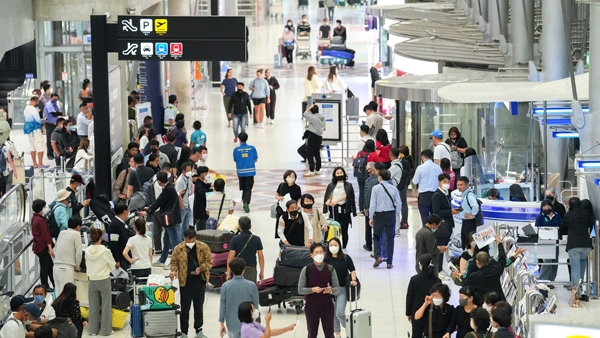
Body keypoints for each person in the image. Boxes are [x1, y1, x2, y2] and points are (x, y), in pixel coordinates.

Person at [170, 228, 213, 338]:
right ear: (184, 239)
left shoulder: (203, 247)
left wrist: (201, 268)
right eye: (187, 241)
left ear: (195, 238)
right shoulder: (178, 249)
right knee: (185, 308)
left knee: (198, 307)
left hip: (200, 282)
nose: (190, 243)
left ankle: (198, 330)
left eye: (192, 241)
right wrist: (174, 271)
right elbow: (174, 262)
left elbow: (209, 262)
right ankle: (184, 332)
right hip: (185, 282)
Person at [139, 172, 182, 267]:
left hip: (171, 219)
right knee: (166, 239)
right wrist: (150, 207)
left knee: (174, 240)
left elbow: (159, 201)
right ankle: (162, 260)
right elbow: (162, 202)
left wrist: (147, 212)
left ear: (158, 181)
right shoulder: (169, 187)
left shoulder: (168, 190)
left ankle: (176, 262)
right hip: (170, 218)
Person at [298, 242, 340, 338]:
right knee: (312, 333)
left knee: (329, 333)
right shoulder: (306, 269)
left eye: (321, 252)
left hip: (327, 305)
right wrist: (312, 290)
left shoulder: (330, 269)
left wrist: (331, 290)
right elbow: (300, 289)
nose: (319, 254)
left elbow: (337, 288)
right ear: (311, 255)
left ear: (324, 253)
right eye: (316, 252)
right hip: (311, 306)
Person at [560, 197, 593, 301]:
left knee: (575, 270)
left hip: (574, 245)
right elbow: (589, 225)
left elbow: (563, 228)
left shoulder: (567, 215)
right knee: (582, 270)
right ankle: (580, 290)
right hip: (586, 245)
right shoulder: (586, 214)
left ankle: (576, 294)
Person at [324, 237, 357, 338]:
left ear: (339, 246)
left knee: (339, 313)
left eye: (335, 245)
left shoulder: (346, 258)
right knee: (333, 314)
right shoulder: (326, 260)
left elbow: (352, 270)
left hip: (342, 289)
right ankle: (337, 334)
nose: (333, 247)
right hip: (330, 290)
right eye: (331, 245)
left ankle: (350, 327)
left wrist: (353, 280)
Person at [85, 228, 115, 337]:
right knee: (106, 305)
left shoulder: (87, 250)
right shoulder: (105, 251)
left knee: (93, 306)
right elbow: (112, 264)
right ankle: (106, 330)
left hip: (92, 280)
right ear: (101, 238)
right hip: (104, 279)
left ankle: (92, 330)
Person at [219, 258, 260, 338]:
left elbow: (222, 306)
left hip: (232, 324)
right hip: (248, 324)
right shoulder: (251, 285)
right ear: (244, 269)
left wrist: (221, 322)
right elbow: (255, 305)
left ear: (231, 270)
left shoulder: (225, 286)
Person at [369, 169, 401, 269]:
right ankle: (389, 263)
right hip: (390, 215)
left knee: (377, 236)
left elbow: (373, 204)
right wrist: (395, 214)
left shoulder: (375, 188)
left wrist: (371, 216)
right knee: (390, 238)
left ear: (380, 177)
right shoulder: (394, 189)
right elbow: (399, 203)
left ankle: (377, 256)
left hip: (379, 215)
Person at [406, 254, 442, 338]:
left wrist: (408, 313)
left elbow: (409, 297)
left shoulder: (414, 279)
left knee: (417, 334)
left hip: (417, 311)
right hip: (433, 312)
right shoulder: (437, 280)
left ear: (421, 265)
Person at [463, 235, 507, 300]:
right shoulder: (496, 271)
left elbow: (465, 288)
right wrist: (500, 243)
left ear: (477, 262)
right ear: (489, 260)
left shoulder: (474, 276)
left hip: (482, 303)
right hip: (497, 301)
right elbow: (502, 259)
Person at [325, 167, 357, 249]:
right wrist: (329, 201)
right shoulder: (331, 185)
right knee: (334, 228)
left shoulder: (348, 185)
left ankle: (344, 247)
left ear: (344, 174)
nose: (339, 174)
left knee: (344, 229)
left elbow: (347, 195)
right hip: (334, 209)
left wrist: (336, 201)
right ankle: (334, 245)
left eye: (341, 173)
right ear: (334, 175)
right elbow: (330, 195)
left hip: (344, 209)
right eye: (337, 173)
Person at [226, 217, 264, 283]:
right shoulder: (256, 239)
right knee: (250, 289)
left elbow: (230, 257)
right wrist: (262, 271)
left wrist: (228, 273)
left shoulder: (235, 239)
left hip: (238, 270)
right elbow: (261, 257)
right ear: (250, 226)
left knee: (238, 290)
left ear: (239, 226)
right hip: (252, 269)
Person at [53, 217, 83, 296]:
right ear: (78, 226)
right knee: (65, 295)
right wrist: (77, 266)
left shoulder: (61, 233)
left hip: (56, 267)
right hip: (66, 268)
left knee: (58, 295)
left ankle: (57, 309)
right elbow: (79, 253)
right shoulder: (76, 234)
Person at [535, 199, 562, 285]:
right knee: (547, 261)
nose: (546, 210)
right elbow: (537, 229)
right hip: (544, 242)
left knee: (554, 262)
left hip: (555, 241)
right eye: (544, 209)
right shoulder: (540, 217)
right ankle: (542, 280)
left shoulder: (557, 216)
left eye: (548, 208)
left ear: (551, 207)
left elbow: (560, 226)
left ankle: (551, 280)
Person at [413, 149, 442, 225]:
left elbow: (415, 181)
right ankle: (436, 233)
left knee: (425, 218)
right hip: (436, 195)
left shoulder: (420, 168)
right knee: (436, 217)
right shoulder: (438, 168)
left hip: (424, 196)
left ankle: (427, 234)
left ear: (423, 157)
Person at [31, 199, 55, 291]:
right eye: (44, 207)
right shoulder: (40, 220)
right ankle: (45, 286)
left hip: (39, 246)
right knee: (45, 267)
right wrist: (50, 247)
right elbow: (45, 235)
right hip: (43, 247)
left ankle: (52, 284)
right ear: (41, 208)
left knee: (49, 266)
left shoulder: (34, 218)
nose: (45, 208)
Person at [432, 174, 454, 268]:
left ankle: (440, 267)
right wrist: (450, 212)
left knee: (443, 247)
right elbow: (436, 211)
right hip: (442, 226)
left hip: (447, 224)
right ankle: (438, 269)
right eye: (444, 182)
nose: (446, 184)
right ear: (439, 182)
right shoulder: (437, 195)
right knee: (440, 248)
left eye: (448, 182)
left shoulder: (445, 194)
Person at [233, 132, 258, 213]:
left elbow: (235, 160)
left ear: (239, 140)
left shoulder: (236, 150)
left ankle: (244, 200)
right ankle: (246, 202)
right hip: (250, 172)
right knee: (248, 187)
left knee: (242, 186)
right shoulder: (252, 148)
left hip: (241, 172)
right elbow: (255, 159)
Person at [108, 203, 135, 270]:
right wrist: (116, 260)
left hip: (124, 257)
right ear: (125, 212)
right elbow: (113, 244)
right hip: (120, 258)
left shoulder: (121, 223)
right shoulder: (115, 225)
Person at [356, 140, 379, 213]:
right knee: (369, 192)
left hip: (359, 176)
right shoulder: (373, 155)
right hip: (369, 177)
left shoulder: (359, 153)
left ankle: (361, 209)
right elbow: (378, 163)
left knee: (361, 192)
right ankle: (367, 207)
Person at [456, 176, 480, 250]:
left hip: (469, 222)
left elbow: (475, 206)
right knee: (465, 242)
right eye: (458, 185)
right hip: (465, 222)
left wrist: (472, 215)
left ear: (467, 185)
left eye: (461, 185)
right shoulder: (464, 194)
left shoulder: (469, 195)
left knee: (469, 243)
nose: (459, 187)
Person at [303, 104, 325, 176]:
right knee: (317, 153)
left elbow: (305, 114)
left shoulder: (313, 117)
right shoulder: (322, 118)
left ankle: (312, 170)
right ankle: (318, 169)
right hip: (319, 137)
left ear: (312, 111)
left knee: (309, 154)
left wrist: (309, 107)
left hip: (312, 137)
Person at [363, 162, 381, 252]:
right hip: (380, 209)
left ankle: (368, 245)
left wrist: (365, 207)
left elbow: (366, 194)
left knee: (368, 226)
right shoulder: (385, 180)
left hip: (371, 207)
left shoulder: (369, 180)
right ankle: (378, 247)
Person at [23, 96, 46, 169]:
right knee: (40, 147)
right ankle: (40, 163)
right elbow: (38, 120)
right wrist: (44, 120)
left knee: (32, 147)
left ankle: (35, 163)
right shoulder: (33, 109)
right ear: (35, 101)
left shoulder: (26, 108)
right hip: (36, 130)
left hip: (29, 130)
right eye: (37, 103)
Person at [43, 93, 62, 160]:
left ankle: (55, 152)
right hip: (49, 124)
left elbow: (60, 113)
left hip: (55, 124)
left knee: (55, 139)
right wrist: (56, 113)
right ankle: (49, 154)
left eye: (56, 98)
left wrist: (56, 112)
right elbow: (53, 114)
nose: (55, 100)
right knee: (50, 139)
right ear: (51, 98)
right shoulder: (49, 104)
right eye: (54, 98)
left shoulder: (56, 104)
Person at [193, 166, 212, 230]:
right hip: (201, 213)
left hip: (204, 212)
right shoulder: (198, 184)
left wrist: (210, 185)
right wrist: (212, 189)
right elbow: (204, 194)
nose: (207, 175)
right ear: (202, 174)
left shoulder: (202, 183)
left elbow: (205, 187)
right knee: (202, 230)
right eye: (206, 173)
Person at [176, 162, 194, 228]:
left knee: (186, 227)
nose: (190, 172)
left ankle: (184, 238)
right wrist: (182, 206)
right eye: (188, 171)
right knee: (180, 226)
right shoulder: (180, 181)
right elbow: (178, 194)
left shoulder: (189, 178)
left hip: (188, 205)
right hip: (182, 207)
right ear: (183, 171)